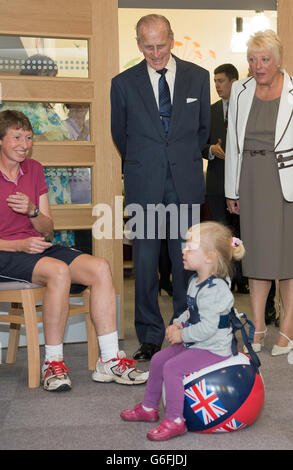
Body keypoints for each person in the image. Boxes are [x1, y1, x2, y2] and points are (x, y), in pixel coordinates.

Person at [0, 109, 148, 391]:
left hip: (35, 248)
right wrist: (20, 244)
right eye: (16, 137)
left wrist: (32, 211)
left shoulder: (34, 168)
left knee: (100, 267)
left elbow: (47, 229)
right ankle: (52, 363)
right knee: (58, 271)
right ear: (0, 140)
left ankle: (109, 360)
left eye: (29, 138)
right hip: (6, 252)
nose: (24, 144)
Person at [111, 14, 210, 361]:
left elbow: (202, 131)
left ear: (173, 39)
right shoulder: (123, 83)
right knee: (145, 264)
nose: (155, 54)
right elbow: (120, 135)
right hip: (145, 184)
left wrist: (175, 159)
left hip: (184, 181)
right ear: (138, 43)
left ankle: (185, 330)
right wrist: (149, 162)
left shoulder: (198, 78)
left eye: (161, 45)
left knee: (186, 261)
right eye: (148, 46)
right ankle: (150, 335)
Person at [120, 221, 245, 441]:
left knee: (172, 369)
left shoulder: (217, 290)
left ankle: (176, 420)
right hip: (197, 342)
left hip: (213, 347)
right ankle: (149, 408)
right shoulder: (196, 281)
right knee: (158, 359)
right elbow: (191, 311)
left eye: (190, 247)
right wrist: (178, 323)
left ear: (210, 257)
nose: (183, 251)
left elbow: (208, 328)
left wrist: (182, 335)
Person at [225, 30, 293, 355]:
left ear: (278, 60)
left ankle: (288, 331)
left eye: (264, 59)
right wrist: (231, 189)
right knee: (255, 258)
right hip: (250, 178)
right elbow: (233, 145)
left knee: (287, 258)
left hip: (285, 183)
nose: (258, 66)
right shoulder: (240, 91)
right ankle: (259, 326)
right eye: (252, 59)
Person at [203, 63, 249, 295]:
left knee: (240, 234)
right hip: (216, 183)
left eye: (221, 81)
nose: (217, 85)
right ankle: (225, 279)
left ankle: (243, 277)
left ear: (234, 82)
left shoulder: (247, 108)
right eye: (215, 81)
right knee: (222, 233)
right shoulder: (209, 111)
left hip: (243, 183)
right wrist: (211, 149)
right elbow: (198, 145)